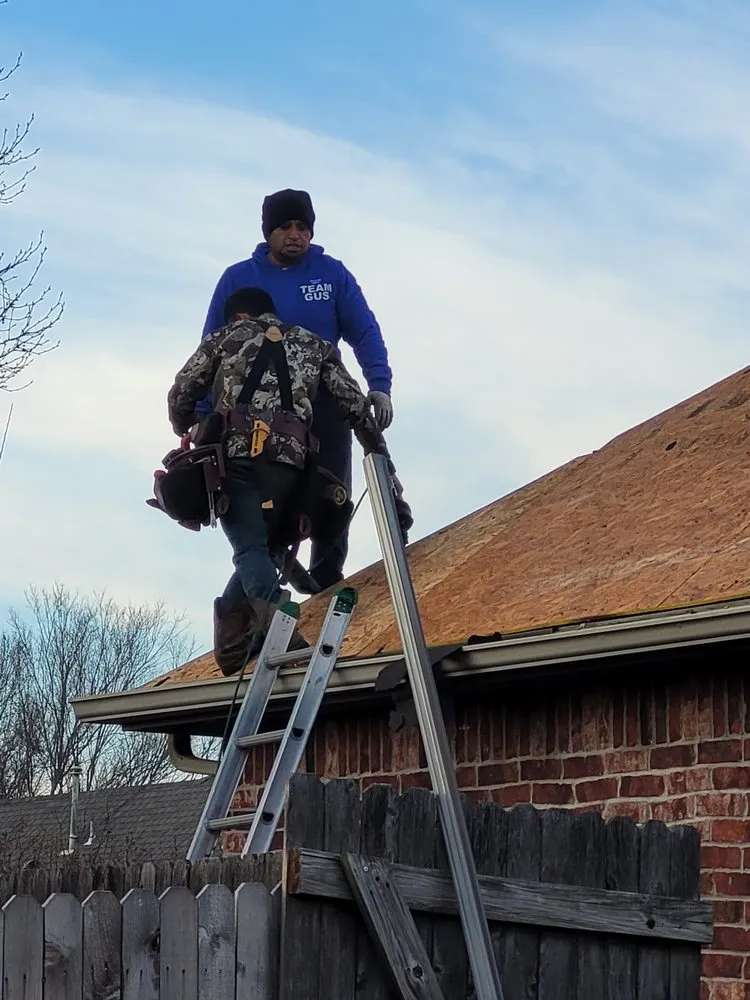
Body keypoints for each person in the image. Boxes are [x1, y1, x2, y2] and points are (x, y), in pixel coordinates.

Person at [167, 286, 409, 676]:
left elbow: (181, 392)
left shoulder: (226, 337)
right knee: (270, 544)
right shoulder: (313, 344)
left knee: (248, 549)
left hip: (238, 459)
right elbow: (355, 406)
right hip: (292, 463)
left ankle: (282, 624)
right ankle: (231, 637)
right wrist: (384, 465)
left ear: (240, 317)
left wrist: (184, 427)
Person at [198, 188, 392, 590]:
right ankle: (257, 601)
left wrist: (379, 384)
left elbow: (364, 329)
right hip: (258, 414)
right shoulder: (239, 279)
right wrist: (203, 417)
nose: (294, 234)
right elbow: (209, 350)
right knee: (268, 509)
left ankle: (326, 578)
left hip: (325, 398)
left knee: (331, 493)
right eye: (285, 226)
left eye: (302, 226)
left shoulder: (331, 274)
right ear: (268, 232)